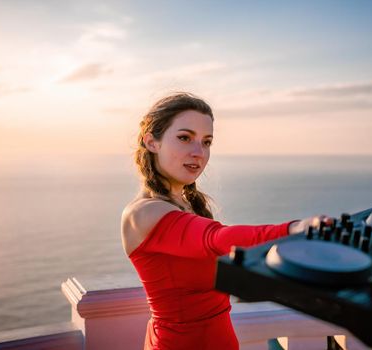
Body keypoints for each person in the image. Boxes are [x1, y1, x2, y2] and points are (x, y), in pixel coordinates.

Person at [121, 92, 331, 350]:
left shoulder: (186, 206)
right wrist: (295, 229)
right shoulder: (144, 213)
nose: (198, 152)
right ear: (152, 142)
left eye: (207, 142)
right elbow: (217, 238)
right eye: (184, 138)